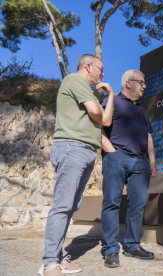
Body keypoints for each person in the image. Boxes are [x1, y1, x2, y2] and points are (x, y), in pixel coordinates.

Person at [39, 54, 115, 276]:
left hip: (84, 151)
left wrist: (110, 95)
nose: (102, 74)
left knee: (70, 207)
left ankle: (58, 259)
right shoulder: (75, 80)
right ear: (88, 66)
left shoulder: (86, 90)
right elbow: (96, 113)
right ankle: (50, 263)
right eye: (100, 69)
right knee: (62, 206)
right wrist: (103, 106)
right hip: (73, 148)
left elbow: (106, 121)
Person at [100, 70, 156, 268]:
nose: (144, 86)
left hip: (140, 163)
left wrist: (151, 160)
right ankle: (111, 249)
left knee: (137, 206)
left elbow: (148, 135)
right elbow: (98, 125)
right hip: (117, 158)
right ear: (129, 83)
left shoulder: (140, 109)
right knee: (112, 204)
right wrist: (111, 151)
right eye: (142, 82)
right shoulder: (112, 100)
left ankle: (132, 245)